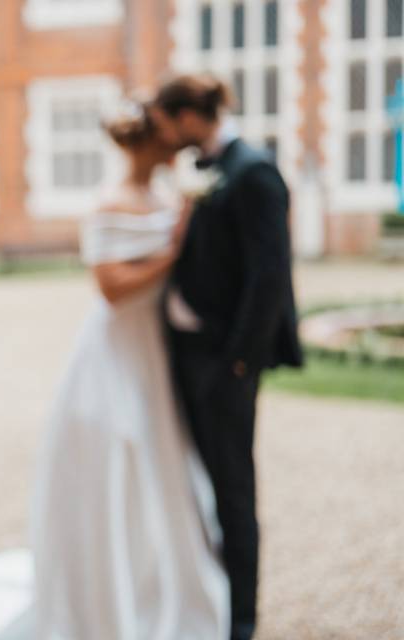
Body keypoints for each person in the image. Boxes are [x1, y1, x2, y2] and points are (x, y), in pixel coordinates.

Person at [31, 102, 230, 639]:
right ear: (147, 145)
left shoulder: (167, 197)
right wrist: (175, 251)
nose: (176, 149)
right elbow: (112, 288)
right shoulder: (109, 201)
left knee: (164, 470)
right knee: (117, 461)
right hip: (115, 349)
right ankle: (109, 597)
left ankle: (164, 589)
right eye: (167, 141)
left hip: (158, 351)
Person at [148, 74, 303, 640]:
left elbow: (269, 280)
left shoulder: (254, 171)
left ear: (190, 115)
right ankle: (206, 598)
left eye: (167, 121)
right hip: (186, 356)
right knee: (198, 484)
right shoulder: (209, 172)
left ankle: (242, 620)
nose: (164, 133)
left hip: (224, 362)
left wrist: (239, 364)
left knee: (234, 491)